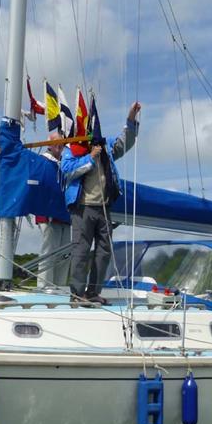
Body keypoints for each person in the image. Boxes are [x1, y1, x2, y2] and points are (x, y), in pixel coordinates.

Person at [61, 102, 140, 303]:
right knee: (81, 250)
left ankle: (93, 292)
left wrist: (131, 120)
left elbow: (123, 144)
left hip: (104, 208)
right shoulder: (72, 148)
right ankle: (77, 294)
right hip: (83, 208)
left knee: (104, 252)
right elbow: (66, 169)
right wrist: (90, 158)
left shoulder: (105, 146)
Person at [36, 131, 70, 288]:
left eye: (62, 142)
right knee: (49, 253)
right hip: (48, 215)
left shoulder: (65, 163)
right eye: (56, 142)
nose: (60, 145)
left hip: (65, 216)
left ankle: (60, 288)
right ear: (49, 144)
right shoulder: (43, 162)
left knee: (65, 255)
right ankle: (44, 288)